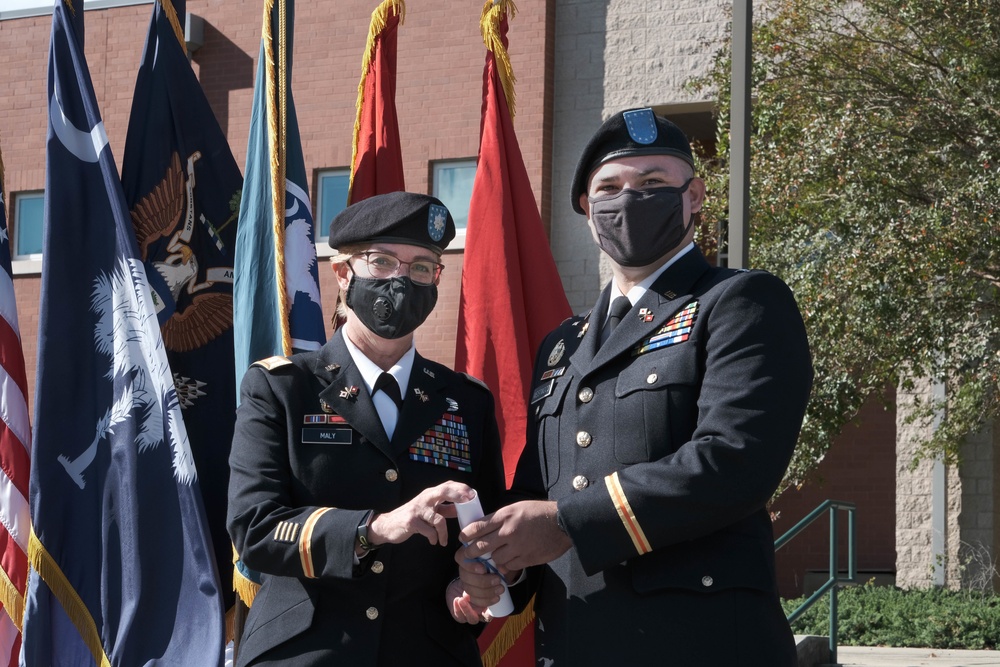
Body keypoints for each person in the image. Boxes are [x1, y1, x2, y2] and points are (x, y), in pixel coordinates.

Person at [455, 108, 814, 665]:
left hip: (699, 644)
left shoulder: (739, 303)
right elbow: (538, 491)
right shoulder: (562, 344)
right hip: (575, 641)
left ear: (693, 196)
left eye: (652, 184)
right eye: (611, 187)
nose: (630, 200)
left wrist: (567, 523)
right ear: (587, 209)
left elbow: (734, 462)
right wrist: (502, 565)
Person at [227, 191, 505, 667]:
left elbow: (488, 532)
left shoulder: (467, 402)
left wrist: (474, 581)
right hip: (305, 653)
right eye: (382, 262)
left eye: (422, 267)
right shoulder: (282, 389)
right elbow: (255, 529)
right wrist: (375, 528)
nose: (402, 279)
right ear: (342, 273)